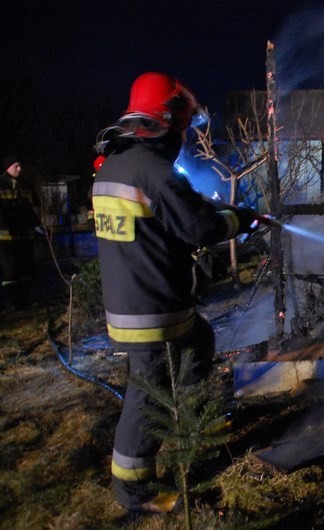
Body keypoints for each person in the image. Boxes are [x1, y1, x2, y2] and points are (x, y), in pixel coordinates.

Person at [92, 72, 261, 513]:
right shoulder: (156, 173)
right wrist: (240, 220)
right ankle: (134, 491)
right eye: (183, 129)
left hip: (135, 298)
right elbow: (199, 227)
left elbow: (172, 214)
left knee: (200, 342)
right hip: (153, 307)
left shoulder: (117, 165)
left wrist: (209, 208)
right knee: (147, 393)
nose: (184, 138)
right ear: (166, 124)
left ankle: (193, 426)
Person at [0, 155, 40, 311]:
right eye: (16, 166)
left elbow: (34, 208)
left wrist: (37, 225)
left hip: (24, 235)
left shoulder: (25, 186)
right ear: (8, 166)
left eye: (20, 165)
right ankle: (11, 302)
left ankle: (25, 301)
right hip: (5, 237)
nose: (20, 169)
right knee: (10, 270)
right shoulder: (1, 184)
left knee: (26, 268)